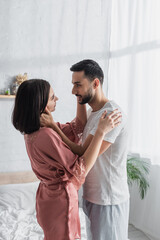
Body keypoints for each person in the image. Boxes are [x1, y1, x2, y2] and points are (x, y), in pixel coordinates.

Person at [12, 79, 121, 240]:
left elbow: (77, 127)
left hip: (46, 199)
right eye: (52, 97)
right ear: (40, 105)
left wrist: (80, 99)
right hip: (60, 202)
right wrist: (100, 132)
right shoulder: (46, 135)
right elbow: (80, 168)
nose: (57, 99)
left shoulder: (33, 132)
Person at [42, 59, 130, 240]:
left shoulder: (111, 114)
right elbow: (79, 126)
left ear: (95, 83)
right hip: (92, 196)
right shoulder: (93, 113)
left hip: (108, 198)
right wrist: (80, 98)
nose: (73, 91)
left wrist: (52, 125)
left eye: (78, 85)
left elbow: (82, 153)